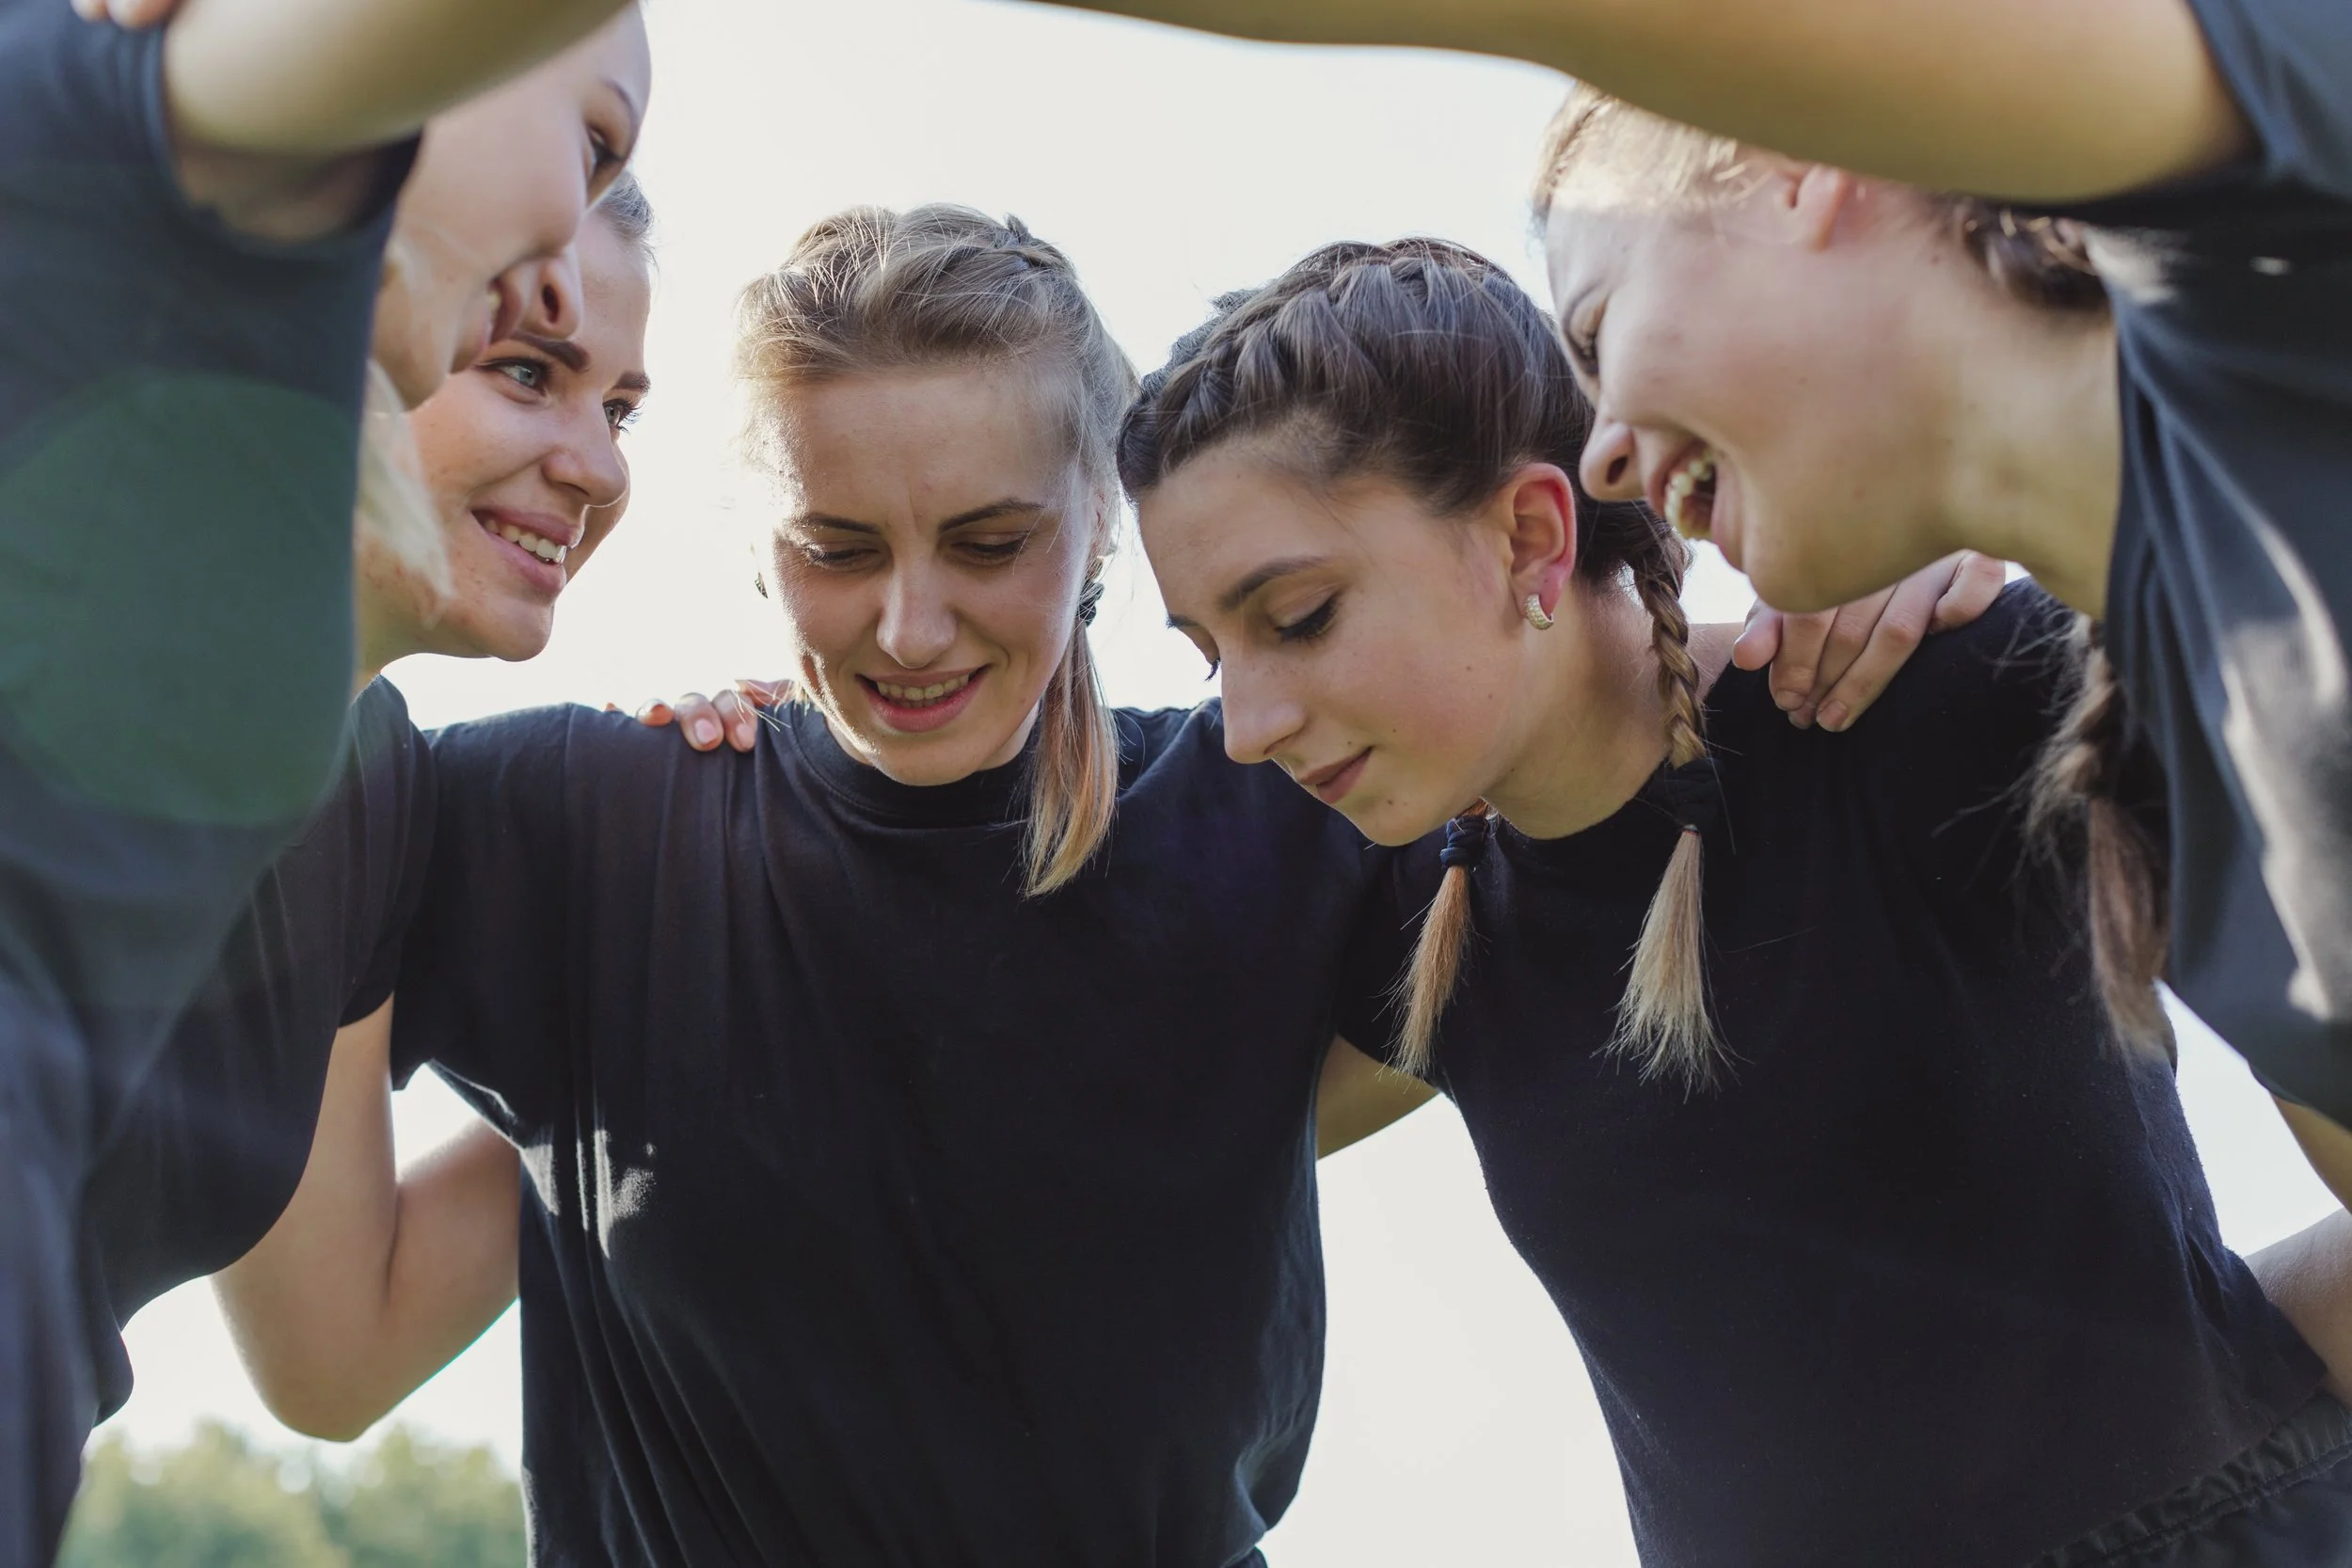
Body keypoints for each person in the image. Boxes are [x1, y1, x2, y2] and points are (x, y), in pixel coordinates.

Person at [214, 201, 1968, 1564]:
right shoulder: (570, 825)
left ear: (1101, 527)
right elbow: (334, 1352)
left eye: (990, 542)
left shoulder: (1287, 814)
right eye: (837, 550)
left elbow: (1608, 758)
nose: (910, 627)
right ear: (758, 544)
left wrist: (1855, 577)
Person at [1124, 236, 2352, 1567]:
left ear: (1532, 535)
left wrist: (2242, 1396)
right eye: (1210, 655)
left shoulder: (1946, 698)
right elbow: (1096, 1167)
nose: (1242, 725)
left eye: (1296, 615)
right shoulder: (1433, 929)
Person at [1027, 0, 2352, 1225]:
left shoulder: (2241, 249)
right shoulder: (2206, 804)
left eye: (1598, 329)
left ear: (1798, 157)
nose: (1603, 456)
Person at [0, 0, 650, 1556]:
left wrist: (681, 1026)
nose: (598, 464)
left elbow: (338, 1344)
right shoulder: (126, 218)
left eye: (620, 407)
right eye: (532, 368)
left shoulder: (362, 789)